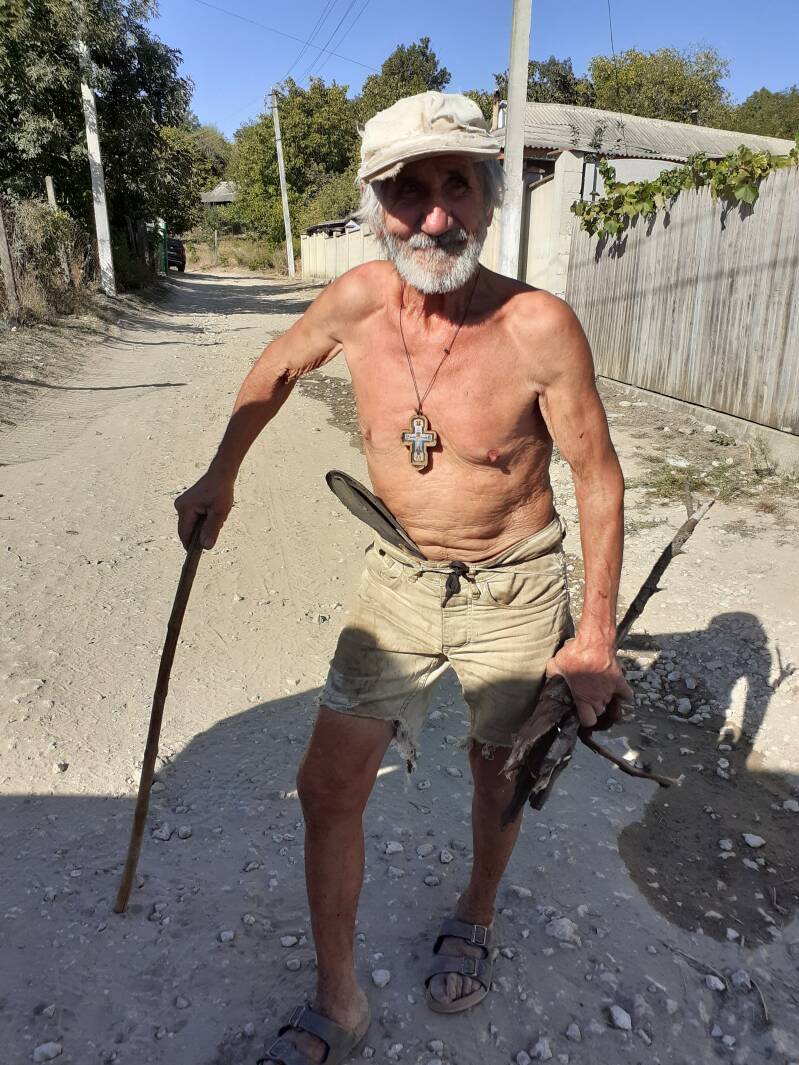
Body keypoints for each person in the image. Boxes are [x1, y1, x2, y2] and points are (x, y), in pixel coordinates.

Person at [175, 91, 632, 1065]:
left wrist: (593, 633)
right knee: (328, 782)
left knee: (496, 769)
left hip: (514, 584)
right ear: (375, 208)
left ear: (489, 197)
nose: (432, 216)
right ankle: (337, 999)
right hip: (398, 577)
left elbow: (596, 475)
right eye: (405, 191)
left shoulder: (537, 326)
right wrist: (221, 474)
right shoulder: (356, 302)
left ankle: (475, 911)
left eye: (455, 185)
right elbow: (277, 369)